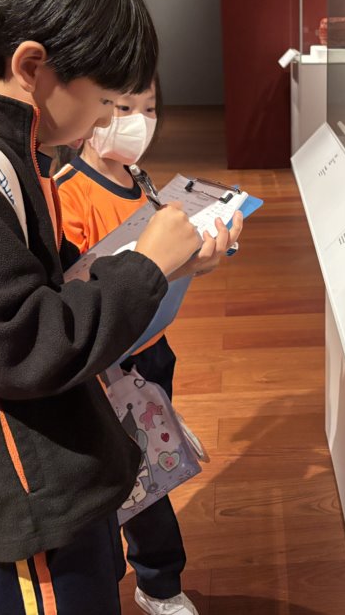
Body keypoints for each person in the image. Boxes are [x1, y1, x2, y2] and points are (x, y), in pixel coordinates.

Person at [0, 0, 234, 614]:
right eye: (106, 101)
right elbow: (21, 348)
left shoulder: (10, 152)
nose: (109, 120)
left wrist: (172, 266)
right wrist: (145, 266)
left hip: (60, 461)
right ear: (33, 67)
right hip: (27, 494)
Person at [56, 75, 238, 615]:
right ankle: (127, 576)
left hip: (152, 348)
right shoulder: (68, 192)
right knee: (121, 474)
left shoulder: (140, 180)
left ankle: (158, 582)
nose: (138, 122)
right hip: (104, 363)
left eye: (150, 108)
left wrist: (198, 255)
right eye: (122, 107)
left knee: (151, 472)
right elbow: (78, 291)